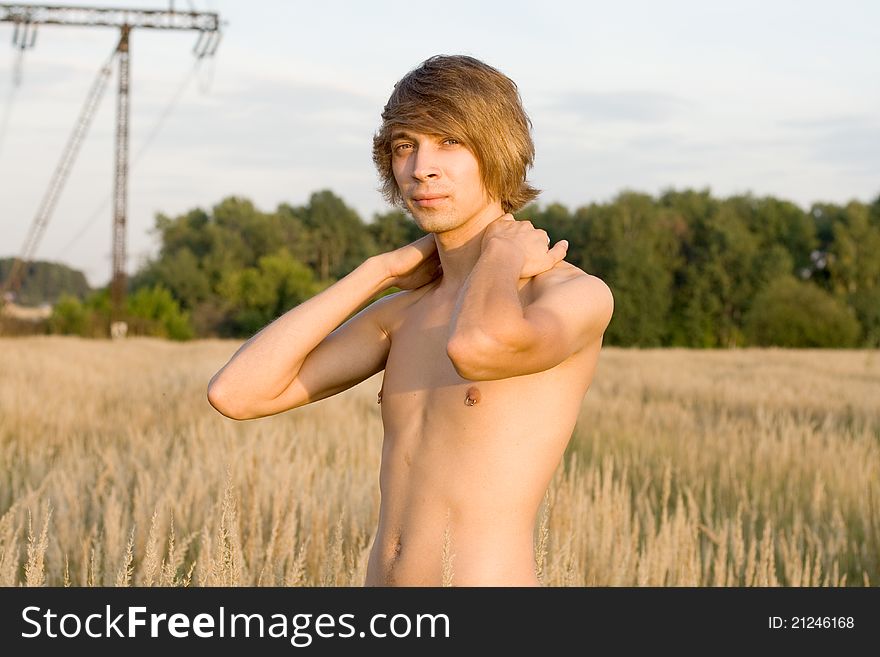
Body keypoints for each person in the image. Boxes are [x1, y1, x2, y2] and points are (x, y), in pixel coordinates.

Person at [207, 54, 614, 586]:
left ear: (498, 150)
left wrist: (500, 256)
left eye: (449, 141)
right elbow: (236, 394)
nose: (421, 166)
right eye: (405, 145)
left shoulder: (571, 295)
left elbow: (476, 348)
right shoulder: (402, 312)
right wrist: (377, 273)